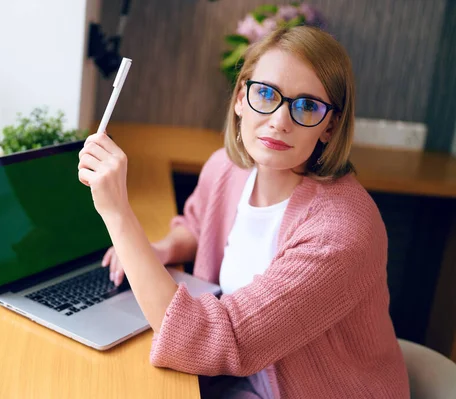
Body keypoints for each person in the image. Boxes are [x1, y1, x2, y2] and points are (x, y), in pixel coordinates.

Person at [77, 25, 409, 398]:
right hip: (240, 382)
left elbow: (209, 341)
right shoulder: (226, 169)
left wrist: (119, 215)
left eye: (307, 106)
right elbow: (200, 226)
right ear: (240, 98)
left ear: (329, 127)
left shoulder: (341, 232)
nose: (280, 121)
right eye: (266, 94)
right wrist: (162, 250)